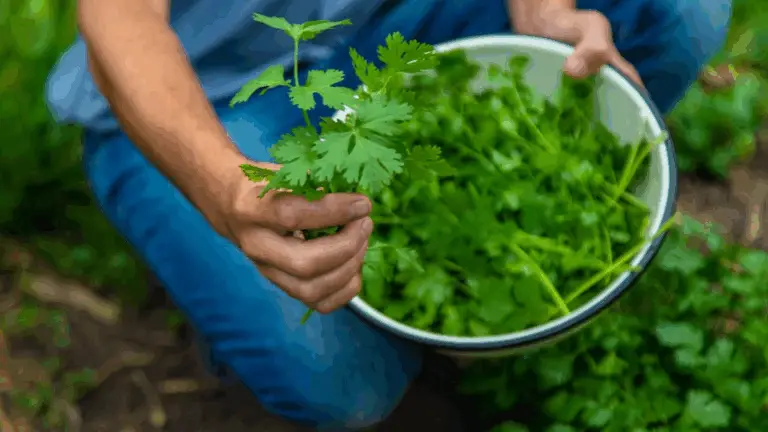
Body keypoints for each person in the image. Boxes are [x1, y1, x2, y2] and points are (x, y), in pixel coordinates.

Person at [47, 0, 731, 430]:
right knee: (339, 384)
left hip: (388, 25)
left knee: (681, 10)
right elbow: (117, 16)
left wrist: (542, 7)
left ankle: (416, 296)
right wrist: (223, 188)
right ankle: (224, 265)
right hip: (201, 89)